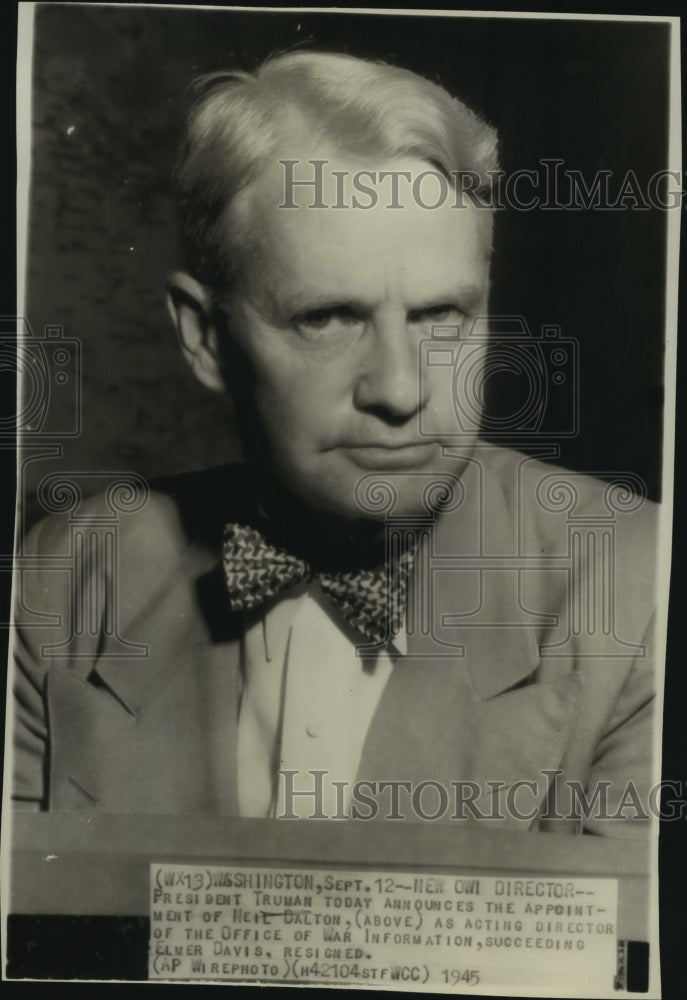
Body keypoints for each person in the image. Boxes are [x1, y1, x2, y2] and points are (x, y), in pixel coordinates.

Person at [11, 51, 657, 834]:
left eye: (441, 315)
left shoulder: (639, 588)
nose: (399, 389)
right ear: (205, 338)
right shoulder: (60, 581)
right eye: (327, 318)